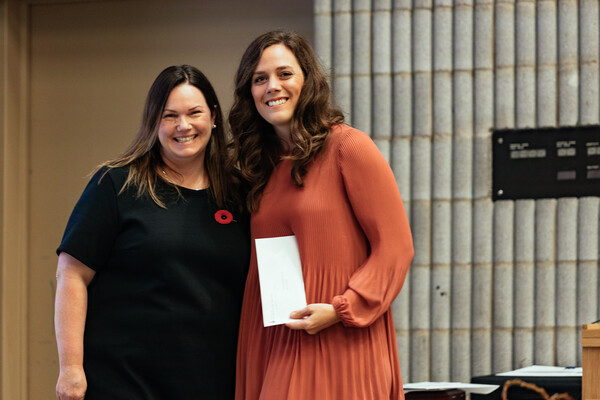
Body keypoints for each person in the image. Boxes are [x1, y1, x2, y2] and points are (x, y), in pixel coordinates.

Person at [229, 31, 414, 400]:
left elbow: (395, 247)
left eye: (285, 74)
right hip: (275, 336)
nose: (272, 87)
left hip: (340, 333)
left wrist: (343, 308)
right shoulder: (256, 167)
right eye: (259, 79)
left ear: (307, 80)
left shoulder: (348, 147)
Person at [54, 65, 249, 400]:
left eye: (194, 113)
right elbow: (71, 274)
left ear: (213, 116)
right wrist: (71, 370)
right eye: (169, 115)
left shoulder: (239, 193)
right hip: (125, 381)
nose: (183, 125)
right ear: (153, 121)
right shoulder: (116, 184)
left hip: (214, 380)